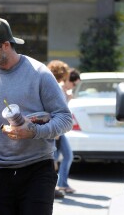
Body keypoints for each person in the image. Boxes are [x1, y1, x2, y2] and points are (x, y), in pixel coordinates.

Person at [0, 17, 73, 215]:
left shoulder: (39, 73)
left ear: (5, 45)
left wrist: (35, 131)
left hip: (37, 171)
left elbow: (65, 118)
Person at [47, 61, 79, 194]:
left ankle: (60, 184)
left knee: (63, 156)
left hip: (57, 129)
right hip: (54, 129)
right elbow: (56, 110)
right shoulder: (55, 87)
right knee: (52, 159)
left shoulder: (57, 87)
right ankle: (54, 186)